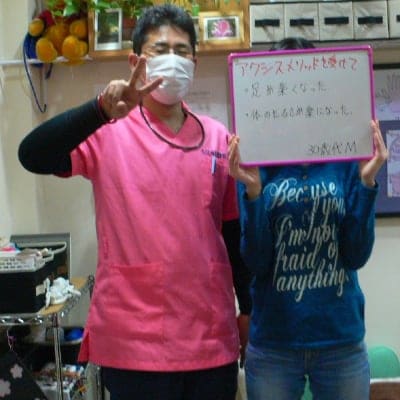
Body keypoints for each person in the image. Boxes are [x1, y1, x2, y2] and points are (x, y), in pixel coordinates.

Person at [18, 4, 251, 400]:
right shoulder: (109, 130)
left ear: (194, 63)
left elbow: (231, 233)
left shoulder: (217, 137)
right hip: (134, 343)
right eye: (160, 49)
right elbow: (32, 155)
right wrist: (99, 109)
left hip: (211, 339)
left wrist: (247, 308)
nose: (172, 59)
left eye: (182, 51)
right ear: (135, 62)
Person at [228, 37, 388, 400]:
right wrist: (253, 193)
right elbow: (256, 261)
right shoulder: (255, 160)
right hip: (274, 342)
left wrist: (366, 183)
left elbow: (356, 255)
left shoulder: (346, 155)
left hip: (339, 338)